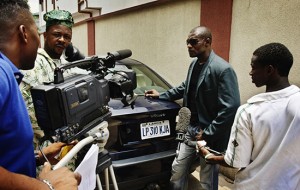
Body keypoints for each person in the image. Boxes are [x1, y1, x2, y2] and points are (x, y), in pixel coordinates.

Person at [145, 26, 240, 190]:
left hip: (208, 134)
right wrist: (161, 95)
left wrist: (208, 132)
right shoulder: (194, 65)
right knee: (177, 170)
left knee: (207, 180)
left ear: (207, 42)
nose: (189, 46)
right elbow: (184, 87)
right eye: (187, 42)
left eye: (193, 41)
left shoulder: (222, 69)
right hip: (189, 128)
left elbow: (230, 108)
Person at [0, 0, 81, 189]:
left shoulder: (10, 74)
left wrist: (38, 156)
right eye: (37, 31)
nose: (62, 40)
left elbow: (8, 151)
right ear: (24, 33)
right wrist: (45, 187)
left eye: (67, 36)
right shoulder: (2, 74)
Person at [197, 42, 300, 189]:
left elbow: (236, 161)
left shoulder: (248, 112)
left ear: (269, 70)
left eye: (253, 67)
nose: (250, 72)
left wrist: (209, 156)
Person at [20, 9, 76, 149]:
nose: (62, 40)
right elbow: (30, 112)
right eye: (57, 34)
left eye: (67, 36)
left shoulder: (68, 66)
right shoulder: (34, 63)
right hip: (43, 150)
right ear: (45, 36)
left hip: (67, 144)